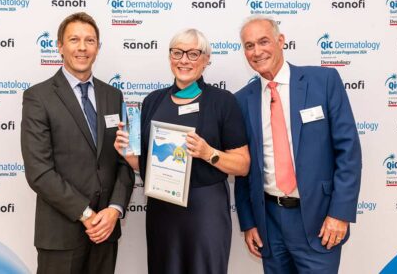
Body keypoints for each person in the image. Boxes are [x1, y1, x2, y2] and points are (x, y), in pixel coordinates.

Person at [114, 28, 250, 274]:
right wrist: (127, 154)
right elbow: (146, 165)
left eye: (193, 53)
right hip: (162, 208)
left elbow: (242, 164)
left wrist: (209, 153)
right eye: (177, 53)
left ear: (206, 59)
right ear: (169, 57)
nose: (184, 60)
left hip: (205, 210)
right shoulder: (152, 101)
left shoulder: (222, 101)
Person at [235, 16, 362, 273]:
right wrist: (249, 222)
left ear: (281, 41)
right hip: (269, 223)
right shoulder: (241, 100)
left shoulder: (323, 81)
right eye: (249, 46)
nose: (257, 51)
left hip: (319, 220)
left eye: (263, 42)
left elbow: (348, 152)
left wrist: (340, 214)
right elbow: (244, 169)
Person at [21, 12, 134, 274]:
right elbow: (39, 171)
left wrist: (114, 209)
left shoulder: (113, 95)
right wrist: (87, 214)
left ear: (98, 47)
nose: (82, 47)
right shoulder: (38, 97)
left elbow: (124, 160)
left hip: (106, 233)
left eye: (90, 40)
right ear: (59, 46)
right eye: (74, 39)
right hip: (61, 235)